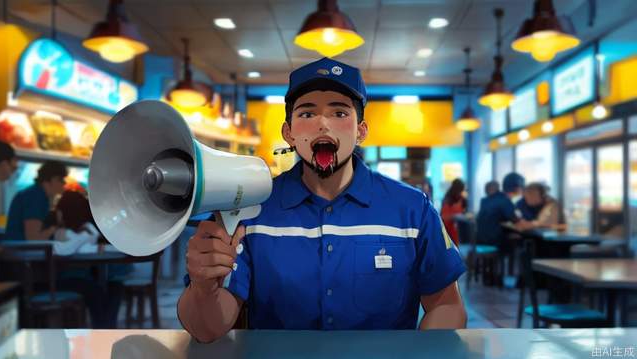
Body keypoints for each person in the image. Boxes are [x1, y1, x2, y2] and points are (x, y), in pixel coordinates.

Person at [178, 58, 467, 342]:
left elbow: (447, 305)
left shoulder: (412, 209)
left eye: (340, 113)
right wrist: (204, 287)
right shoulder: (249, 209)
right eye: (306, 114)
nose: (323, 125)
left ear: (361, 131)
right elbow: (208, 329)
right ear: (288, 133)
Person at [53, 190, 126, 328]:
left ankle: (107, 329)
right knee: (95, 291)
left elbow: (91, 244)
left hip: (85, 278)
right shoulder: (62, 232)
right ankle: (103, 330)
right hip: (65, 280)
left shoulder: (82, 230)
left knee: (115, 286)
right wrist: (86, 236)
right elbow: (75, 249)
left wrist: (87, 230)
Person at [5, 160, 66, 240]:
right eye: (61, 179)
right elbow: (33, 238)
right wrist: (55, 229)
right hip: (21, 250)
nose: (64, 183)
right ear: (52, 179)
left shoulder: (39, 195)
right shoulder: (35, 197)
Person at [441, 179, 467, 246]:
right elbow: (443, 217)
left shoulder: (462, 199)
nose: (460, 192)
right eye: (460, 190)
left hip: (457, 230)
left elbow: (464, 211)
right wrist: (454, 216)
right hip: (447, 230)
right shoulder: (447, 199)